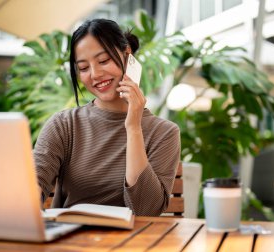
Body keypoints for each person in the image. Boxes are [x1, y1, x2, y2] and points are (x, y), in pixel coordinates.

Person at [34, 19, 180, 216]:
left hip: (137, 244)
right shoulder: (64, 125)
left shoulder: (164, 133)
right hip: (71, 242)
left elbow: (146, 210)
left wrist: (134, 128)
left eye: (103, 61)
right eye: (84, 68)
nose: (95, 74)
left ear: (127, 54)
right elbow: (32, 188)